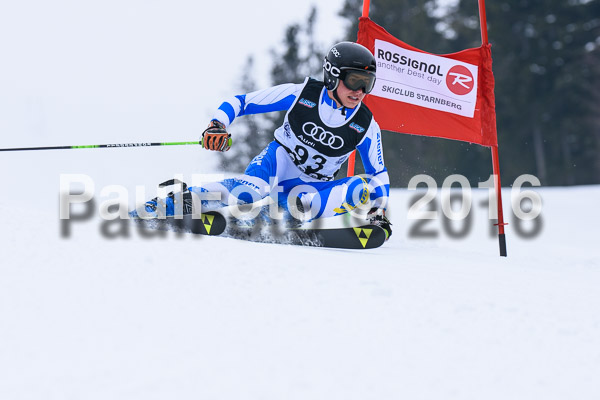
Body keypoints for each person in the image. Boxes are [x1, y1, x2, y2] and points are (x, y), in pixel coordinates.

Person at [140, 42, 391, 238]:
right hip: (277, 163)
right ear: (333, 75)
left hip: (312, 188)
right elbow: (241, 102)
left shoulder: (366, 125)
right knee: (249, 192)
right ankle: (176, 202)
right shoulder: (301, 94)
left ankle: (277, 216)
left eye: (367, 84)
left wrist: (379, 211)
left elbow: (378, 173)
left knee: (363, 188)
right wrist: (217, 125)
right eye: (354, 81)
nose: (360, 91)